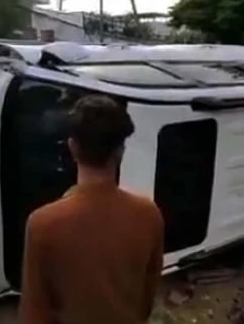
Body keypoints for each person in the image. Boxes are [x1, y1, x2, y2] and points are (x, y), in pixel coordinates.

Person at [19, 95, 164, 324]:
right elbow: (147, 296)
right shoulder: (149, 214)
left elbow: (35, 311)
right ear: (120, 151)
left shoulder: (42, 224)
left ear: (72, 146)